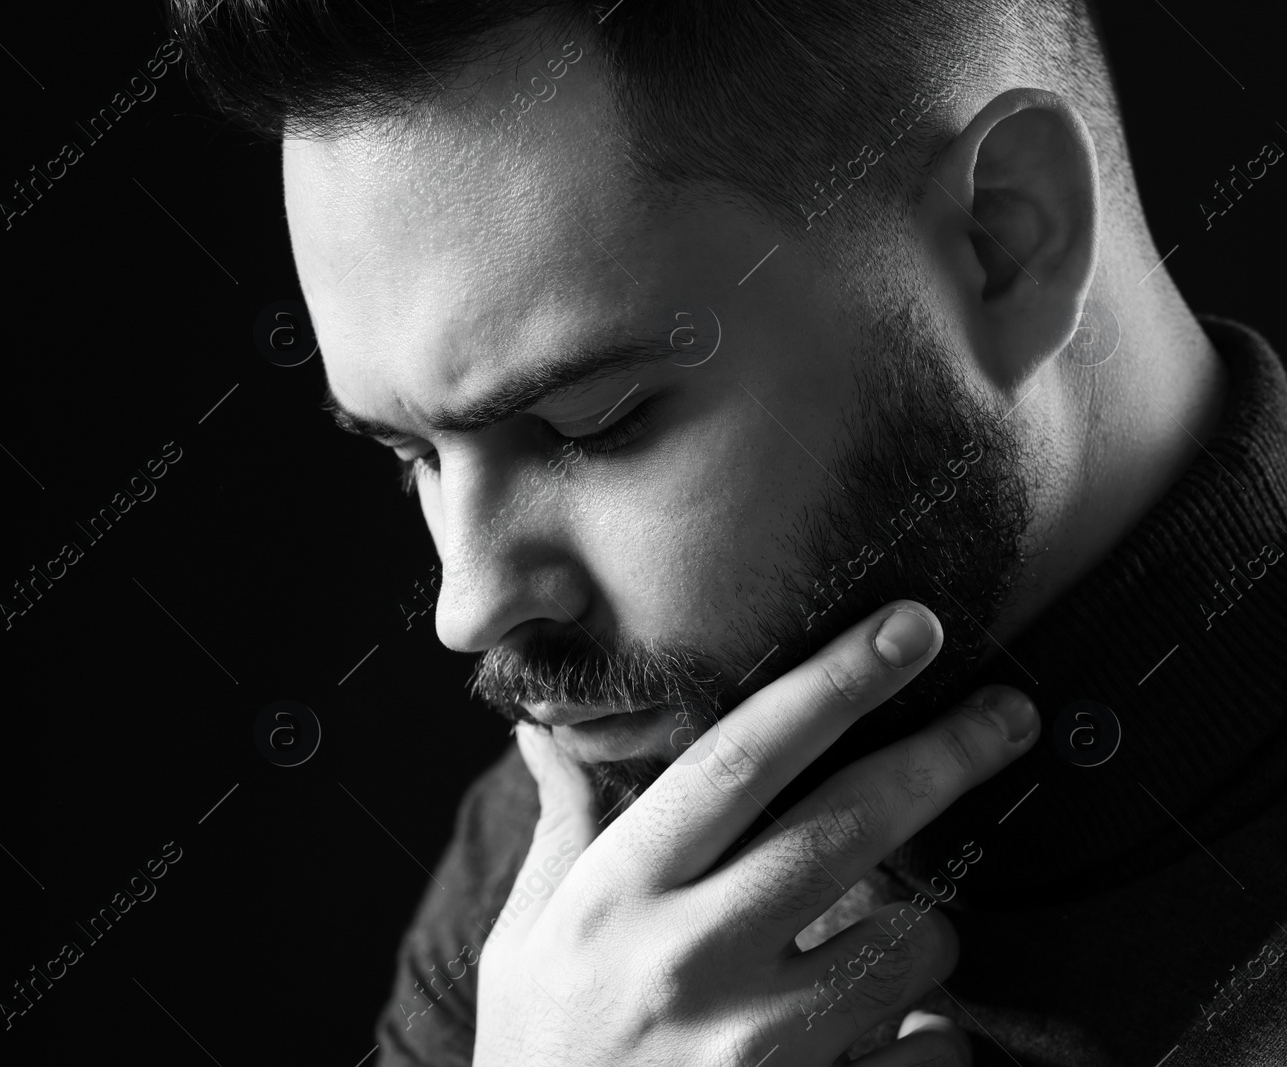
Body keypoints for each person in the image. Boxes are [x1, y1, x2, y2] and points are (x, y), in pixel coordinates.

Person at [167, 0, 1287, 1062]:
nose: (467, 605)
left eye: (593, 423)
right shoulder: (570, 896)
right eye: (410, 455)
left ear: (1007, 243)